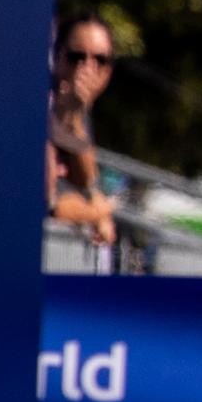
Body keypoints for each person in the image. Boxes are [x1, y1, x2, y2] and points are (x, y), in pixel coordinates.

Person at [45, 18, 117, 257]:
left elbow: (85, 182)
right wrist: (96, 213)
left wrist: (74, 117)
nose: (87, 68)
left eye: (100, 60)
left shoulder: (78, 109)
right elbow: (52, 204)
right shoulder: (41, 100)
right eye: (77, 57)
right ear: (58, 56)